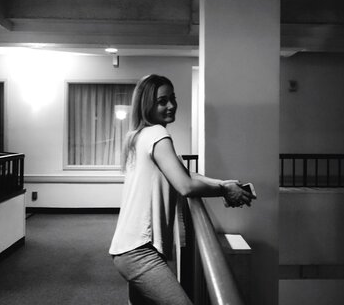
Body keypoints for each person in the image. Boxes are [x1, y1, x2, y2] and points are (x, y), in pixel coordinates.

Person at [109, 74, 256, 305]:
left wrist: (225, 184)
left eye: (173, 98)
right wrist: (225, 192)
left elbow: (186, 174)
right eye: (162, 101)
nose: (171, 105)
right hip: (140, 252)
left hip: (129, 249)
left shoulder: (140, 136)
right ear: (147, 104)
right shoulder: (157, 133)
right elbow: (186, 186)